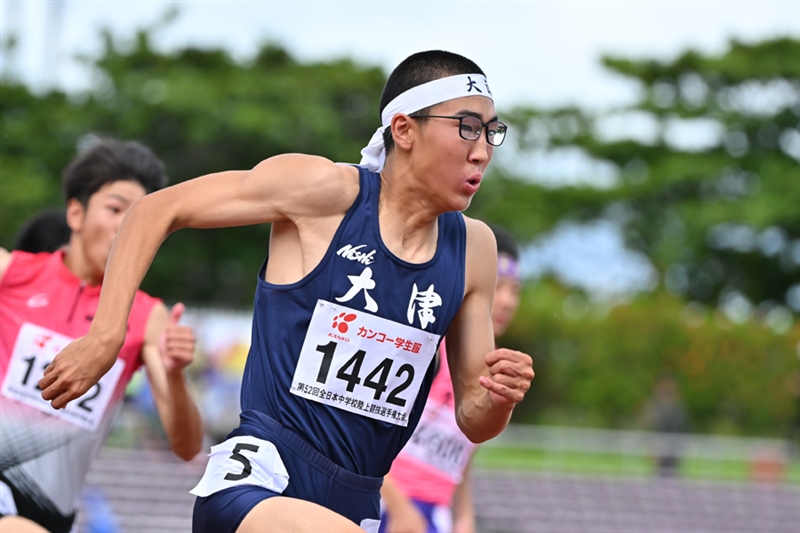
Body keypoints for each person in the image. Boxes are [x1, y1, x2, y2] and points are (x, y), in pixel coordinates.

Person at [38, 51, 535, 533]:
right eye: (467, 126)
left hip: (356, 502)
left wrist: (500, 398)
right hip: (260, 480)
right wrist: (106, 334)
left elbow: (473, 418)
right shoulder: (324, 193)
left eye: (492, 132)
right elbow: (154, 211)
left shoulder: (474, 249)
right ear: (404, 129)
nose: (482, 149)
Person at [0, 139, 204, 533]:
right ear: (75, 213)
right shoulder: (13, 274)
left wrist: (175, 374)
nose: (125, 228)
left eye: (139, 219)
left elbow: (187, 446)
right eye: (114, 209)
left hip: (50, 513)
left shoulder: (149, 316)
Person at [379, 224, 522, 533]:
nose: (508, 301)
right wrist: (398, 508)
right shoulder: (425, 346)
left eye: (516, 290)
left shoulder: (498, 374)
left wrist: (464, 522)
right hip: (385, 506)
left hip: (435, 514)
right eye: (500, 286)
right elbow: (362, 434)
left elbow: (461, 465)